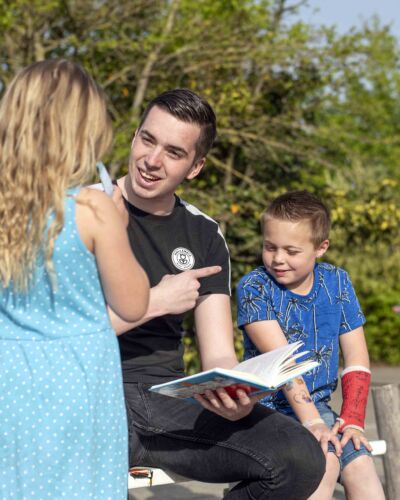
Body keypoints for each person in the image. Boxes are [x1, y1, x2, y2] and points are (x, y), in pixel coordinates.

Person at [108, 89, 325, 499]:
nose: (152, 160)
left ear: (195, 166)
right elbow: (46, 336)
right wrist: (153, 304)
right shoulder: (82, 209)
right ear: (134, 137)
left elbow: (219, 354)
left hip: (163, 403)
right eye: (148, 140)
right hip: (90, 393)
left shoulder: (204, 233)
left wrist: (233, 394)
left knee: (300, 456)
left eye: (174, 152)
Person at [0, 59, 149, 499]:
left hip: (9, 379)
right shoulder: (92, 208)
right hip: (79, 382)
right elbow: (133, 304)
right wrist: (119, 226)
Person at [237, 190, 385, 499]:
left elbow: (356, 357)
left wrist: (354, 421)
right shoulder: (254, 286)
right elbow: (283, 360)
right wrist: (315, 424)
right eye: (269, 247)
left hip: (317, 408)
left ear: (321, 247)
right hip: (265, 409)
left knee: (361, 466)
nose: (278, 259)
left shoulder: (337, 282)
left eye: (291, 251)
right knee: (325, 459)